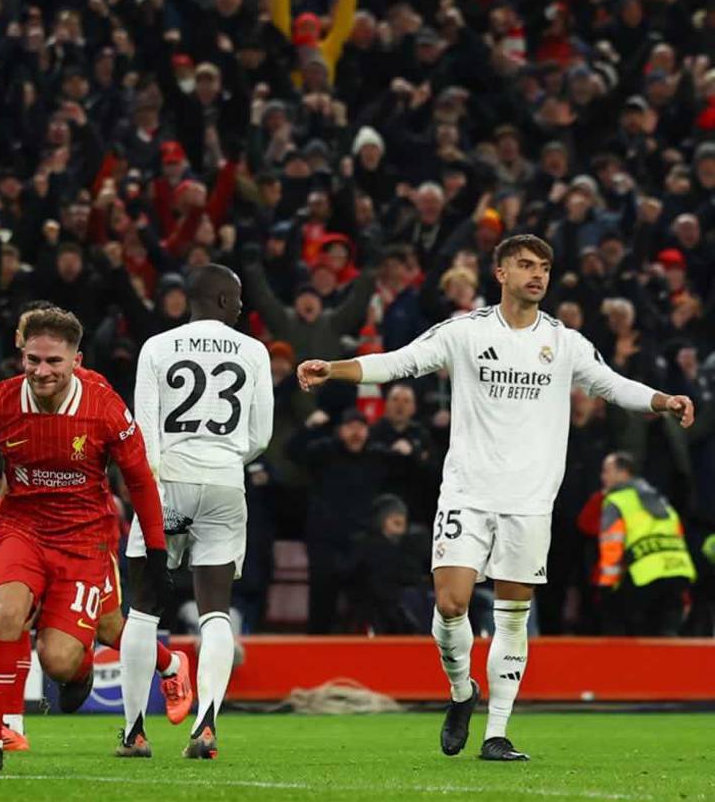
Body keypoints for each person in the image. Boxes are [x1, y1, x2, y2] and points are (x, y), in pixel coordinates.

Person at [296, 234, 694, 761]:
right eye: (526, 265)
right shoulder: (466, 332)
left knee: (511, 616)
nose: (538, 275)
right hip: (468, 491)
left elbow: (609, 383)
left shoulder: (564, 341)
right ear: (500, 273)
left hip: (529, 499)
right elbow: (403, 361)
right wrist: (336, 370)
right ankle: (462, 691)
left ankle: (497, 732)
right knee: (450, 603)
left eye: (545, 267)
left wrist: (662, 399)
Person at [0, 306, 172, 774]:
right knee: (5, 613)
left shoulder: (103, 407)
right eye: (33, 360)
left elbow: (140, 479)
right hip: (21, 528)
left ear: (76, 361)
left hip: (85, 538)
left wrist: (157, 548)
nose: (42, 371)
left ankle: (80, 673)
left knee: (59, 660)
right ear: (21, 357)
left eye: (54, 362)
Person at [122, 264, 274, 759]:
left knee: (144, 608)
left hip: (166, 485)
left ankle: (134, 733)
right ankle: (206, 725)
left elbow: (144, 428)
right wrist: (226, 458)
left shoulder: (157, 347)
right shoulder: (253, 351)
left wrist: (164, 475)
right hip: (226, 482)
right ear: (225, 302)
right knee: (215, 608)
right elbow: (261, 436)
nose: (243, 307)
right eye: (240, 299)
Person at [595, 451, 695, 636]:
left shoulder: (616, 502)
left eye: (607, 471)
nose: (603, 477)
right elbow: (678, 533)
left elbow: (612, 549)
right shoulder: (659, 499)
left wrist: (607, 588)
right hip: (679, 571)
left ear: (624, 473)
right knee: (669, 639)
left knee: (642, 643)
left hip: (644, 578)